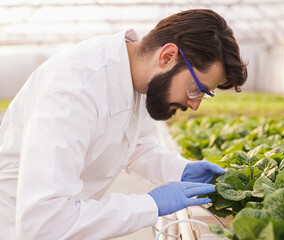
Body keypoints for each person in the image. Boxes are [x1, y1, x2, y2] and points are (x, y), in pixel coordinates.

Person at [0, 9, 247, 239]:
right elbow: (44, 222)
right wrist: (150, 204)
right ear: (168, 56)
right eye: (196, 90)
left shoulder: (138, 80)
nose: (194, 105)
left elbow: (136, 147)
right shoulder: (74, 93)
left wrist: (181, 170)